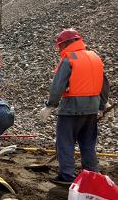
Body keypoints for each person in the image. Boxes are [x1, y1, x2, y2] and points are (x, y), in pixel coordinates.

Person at [39, 28, 109, 185]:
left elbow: (58, 85)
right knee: (88, 143)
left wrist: (50, 105)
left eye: (61, 46)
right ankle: (92, 174)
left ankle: (67, 175)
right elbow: (105, 84)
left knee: (65, 142)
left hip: (71, 108)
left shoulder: (69, 59)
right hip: (92, 108)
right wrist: (102, 105)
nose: (60, 50)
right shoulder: (94, 57)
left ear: (67, 43)